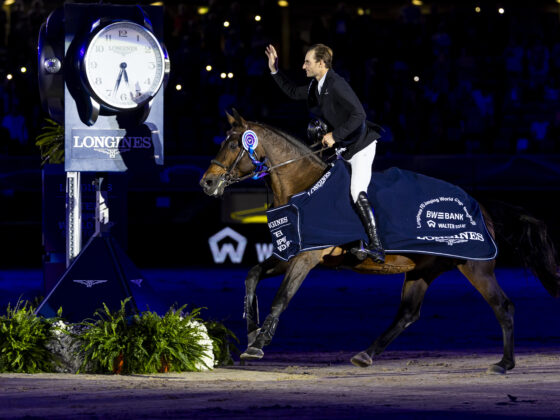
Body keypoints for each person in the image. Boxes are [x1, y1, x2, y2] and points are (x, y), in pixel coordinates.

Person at [265, 43, 385, 263]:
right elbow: (292, 92)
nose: (303, 66)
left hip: (361, 147)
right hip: (344, 147)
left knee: (357, 190)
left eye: (307, 62)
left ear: (321, 64)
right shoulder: (316, 85)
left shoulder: (337, 84)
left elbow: (359, 115)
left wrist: (334, 136)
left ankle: (376, 246)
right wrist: (274, 69)